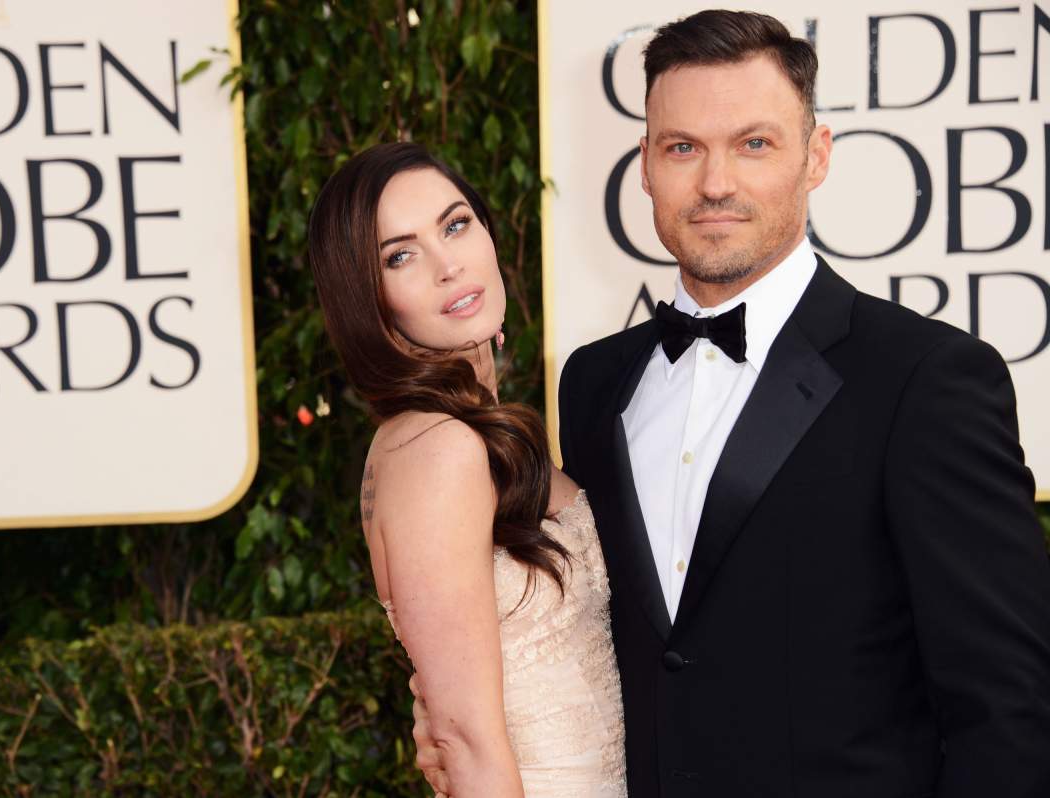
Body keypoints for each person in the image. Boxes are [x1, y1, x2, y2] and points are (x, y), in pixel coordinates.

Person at [414, 9, 1050, 798]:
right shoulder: (592, 384)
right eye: (683, 147)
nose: (715, 183)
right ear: (644, 164)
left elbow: (1009, 707)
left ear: (816, 157)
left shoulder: (927, 380)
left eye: (754, 143)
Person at [307, 142, 627, 797]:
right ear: (368, 298)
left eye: (455, 225)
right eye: (400, 255)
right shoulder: (438, 448)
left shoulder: (471, 431)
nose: (447, 265)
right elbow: (463, 738)